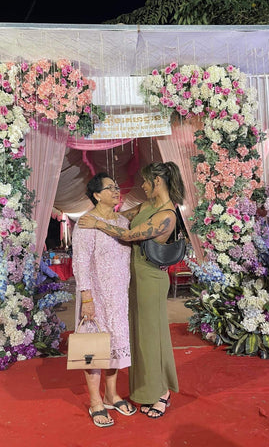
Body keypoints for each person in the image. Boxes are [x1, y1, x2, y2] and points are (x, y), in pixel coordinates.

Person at [78, 161, 185, 419]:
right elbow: (122, 218)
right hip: (129, 281)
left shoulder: (167, 214)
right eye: (111, 187)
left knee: (152, 336)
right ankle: (140, 392)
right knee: (136, 339)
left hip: (149, 278)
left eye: (146, 182)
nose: (143, 186)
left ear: (158, 182)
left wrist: (98, 223)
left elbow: (128, 234)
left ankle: (161, 392)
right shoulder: (147, 205)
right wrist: (100, 216)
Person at [72, 172, 137, 428]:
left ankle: (111, 395)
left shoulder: (122, 221)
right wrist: (86, 296)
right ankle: (95, 402)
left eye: (117, 186)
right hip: (96, 295)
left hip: (118, 297)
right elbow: (80, 261)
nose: (116, 190)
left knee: (115, 347)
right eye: (109, 188)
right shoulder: (87, 222)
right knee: (93, 348)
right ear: (96, 194)